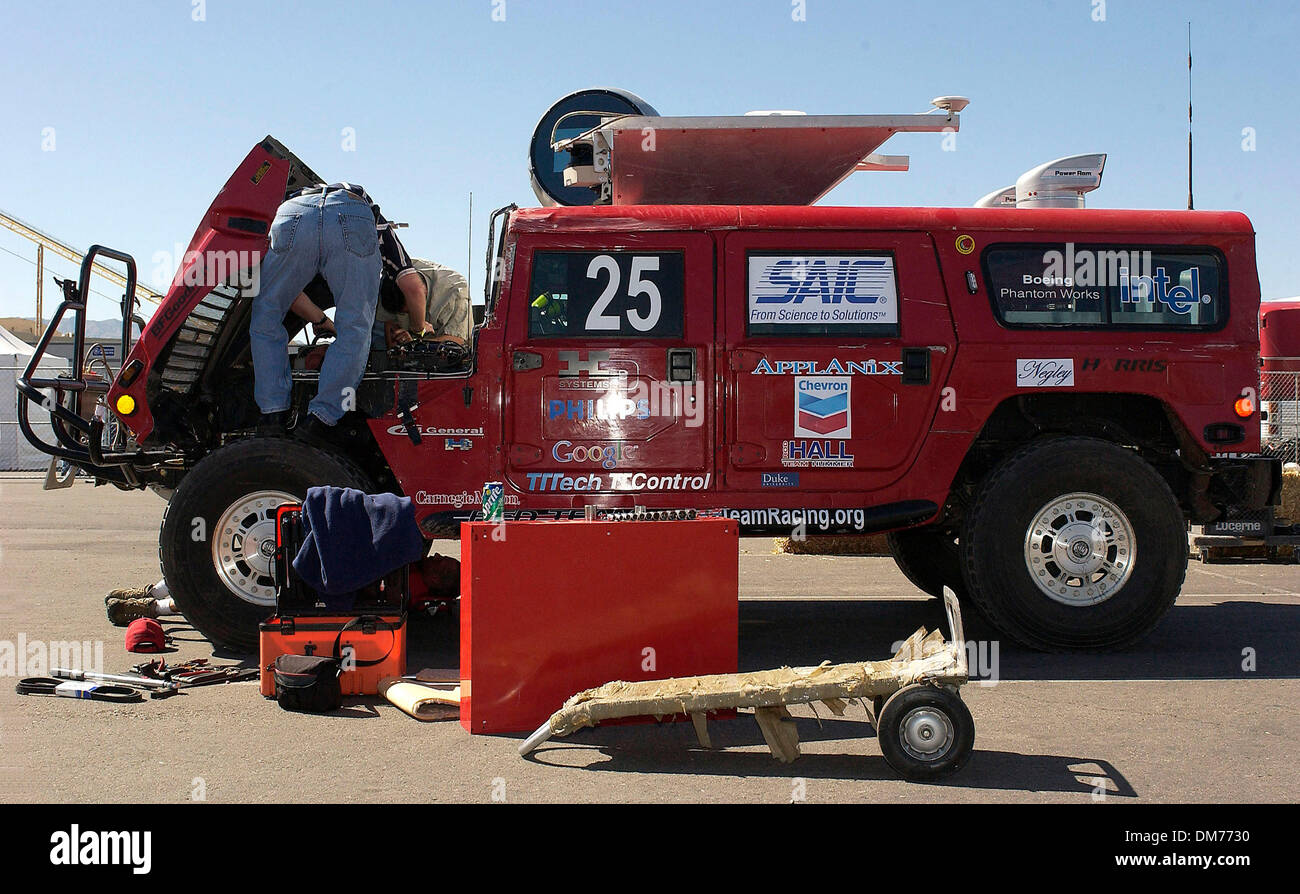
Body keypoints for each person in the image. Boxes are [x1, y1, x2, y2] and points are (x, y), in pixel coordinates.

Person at [251, 182, 411, 441]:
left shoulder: (297, 196)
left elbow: (290, 296)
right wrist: (419, 326)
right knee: (356, 327)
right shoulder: (377, 219)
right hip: (351, 211)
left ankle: (272, 414)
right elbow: (411, 282)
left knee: (266, 316)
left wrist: (321, 320)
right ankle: (321, 419)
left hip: (293, 211)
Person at [374, 258, 473, 348]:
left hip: (441, 348)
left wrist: (413, 345)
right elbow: (388, 324)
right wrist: (396, 340)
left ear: (423, 294)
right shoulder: (392, 275)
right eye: (402, 313)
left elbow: (457, 341)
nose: (409, 317)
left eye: (409, 311)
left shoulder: (456, 292)